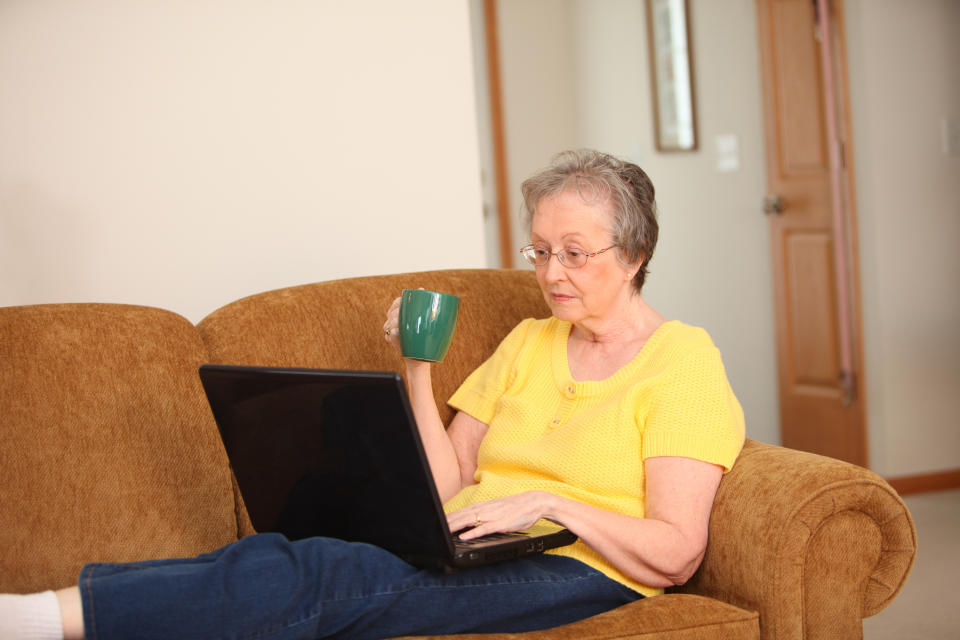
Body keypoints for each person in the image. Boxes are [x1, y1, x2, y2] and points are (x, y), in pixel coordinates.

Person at [0, 149, 745, 640]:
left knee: (327, 577)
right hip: (475, 538)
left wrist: (550, 505)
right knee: (297, 552)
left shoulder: (681, 363)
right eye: (541, 250)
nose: (551, 273)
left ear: (637, 253)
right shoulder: (529, 342)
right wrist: (418, 369)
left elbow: (677, 554)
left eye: (576, 253)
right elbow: (448, 481)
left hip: (581, 567)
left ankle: (38, 620)